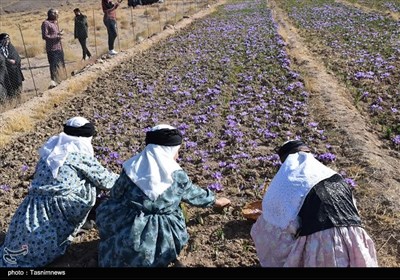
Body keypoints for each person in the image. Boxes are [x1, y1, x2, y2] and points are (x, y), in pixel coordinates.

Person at [96, 124, 231, 267]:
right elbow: (195, 195)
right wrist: (216, 201)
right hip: (163, 233)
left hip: (128, 226)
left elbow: (115, 194)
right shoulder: (176, 175)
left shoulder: (131, 168)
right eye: (176, 151)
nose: (177, 156)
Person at [0, 116, 118, 267]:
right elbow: (107, 181)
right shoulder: (79, 156)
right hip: (63, 207)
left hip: (33, 208)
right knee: (91, 186)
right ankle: (90, 219)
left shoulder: (49, 153)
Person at [250, 140, 378, 267]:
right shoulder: (335, 177)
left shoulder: (289, 180)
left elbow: (276, 228)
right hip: (356, 242)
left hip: (323, 248)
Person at [41, 8, 65, 88]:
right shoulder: (46, 23)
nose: (58, 15)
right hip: (52, 49)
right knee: (54, 67)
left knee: (61, 65)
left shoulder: (55, 22)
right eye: (56, 13)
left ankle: (61, 80)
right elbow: (45, 36)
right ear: (52, 14)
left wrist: (59, 33)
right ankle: (54, 83)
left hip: (59, 47)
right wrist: (57, 36)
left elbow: (54, 34)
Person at [0, 33, 24, 100]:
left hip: (15, 70)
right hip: (5, 71)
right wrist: (8, 61)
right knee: (8, 89)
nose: (7, 41)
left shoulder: (11, 47)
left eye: (8, 39)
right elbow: (1, 60)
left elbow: (17, 58)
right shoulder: (0, 49)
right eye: (5, 39)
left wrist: (15, 61)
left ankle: (19, 99)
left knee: (18, 86)